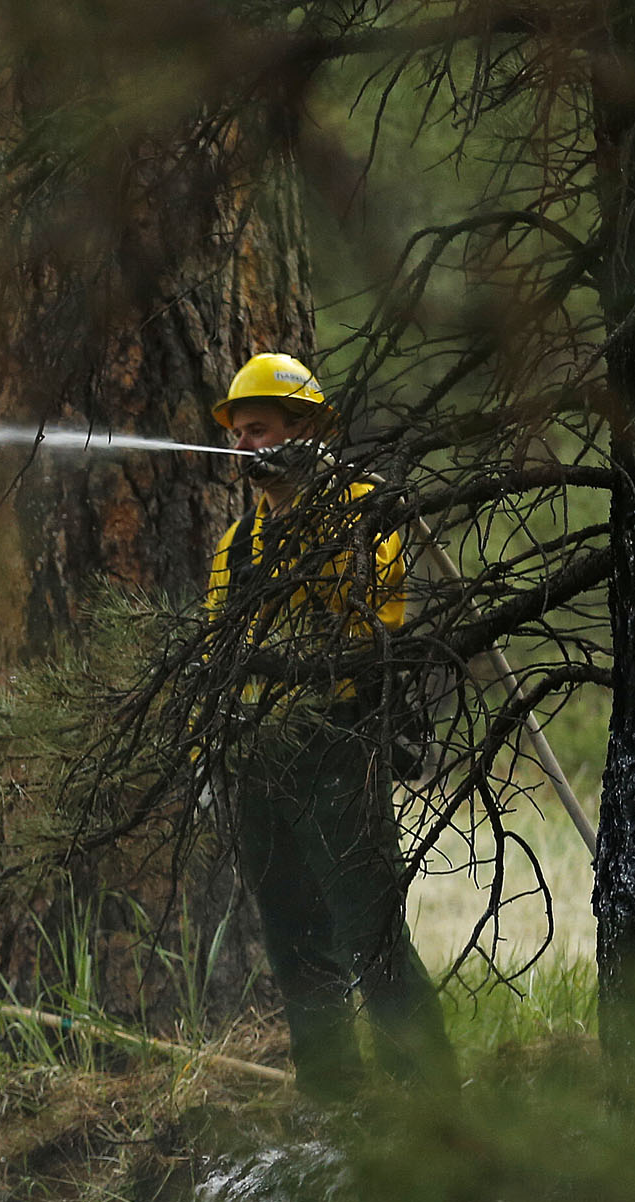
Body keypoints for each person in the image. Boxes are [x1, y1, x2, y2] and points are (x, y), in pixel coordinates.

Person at [206, 352, 455, 1100]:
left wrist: (310, 505)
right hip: (256, 762)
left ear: (309, 431)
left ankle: (430, 1101)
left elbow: (370, 614)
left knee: (369, 936)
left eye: (262, 430)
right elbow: (214, 658)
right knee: (293, 940)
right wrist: (204, 758)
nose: (248, 447)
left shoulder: (365, 511)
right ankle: (334, 1103)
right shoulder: (234, 545)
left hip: (340, 750)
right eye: (240, 435)